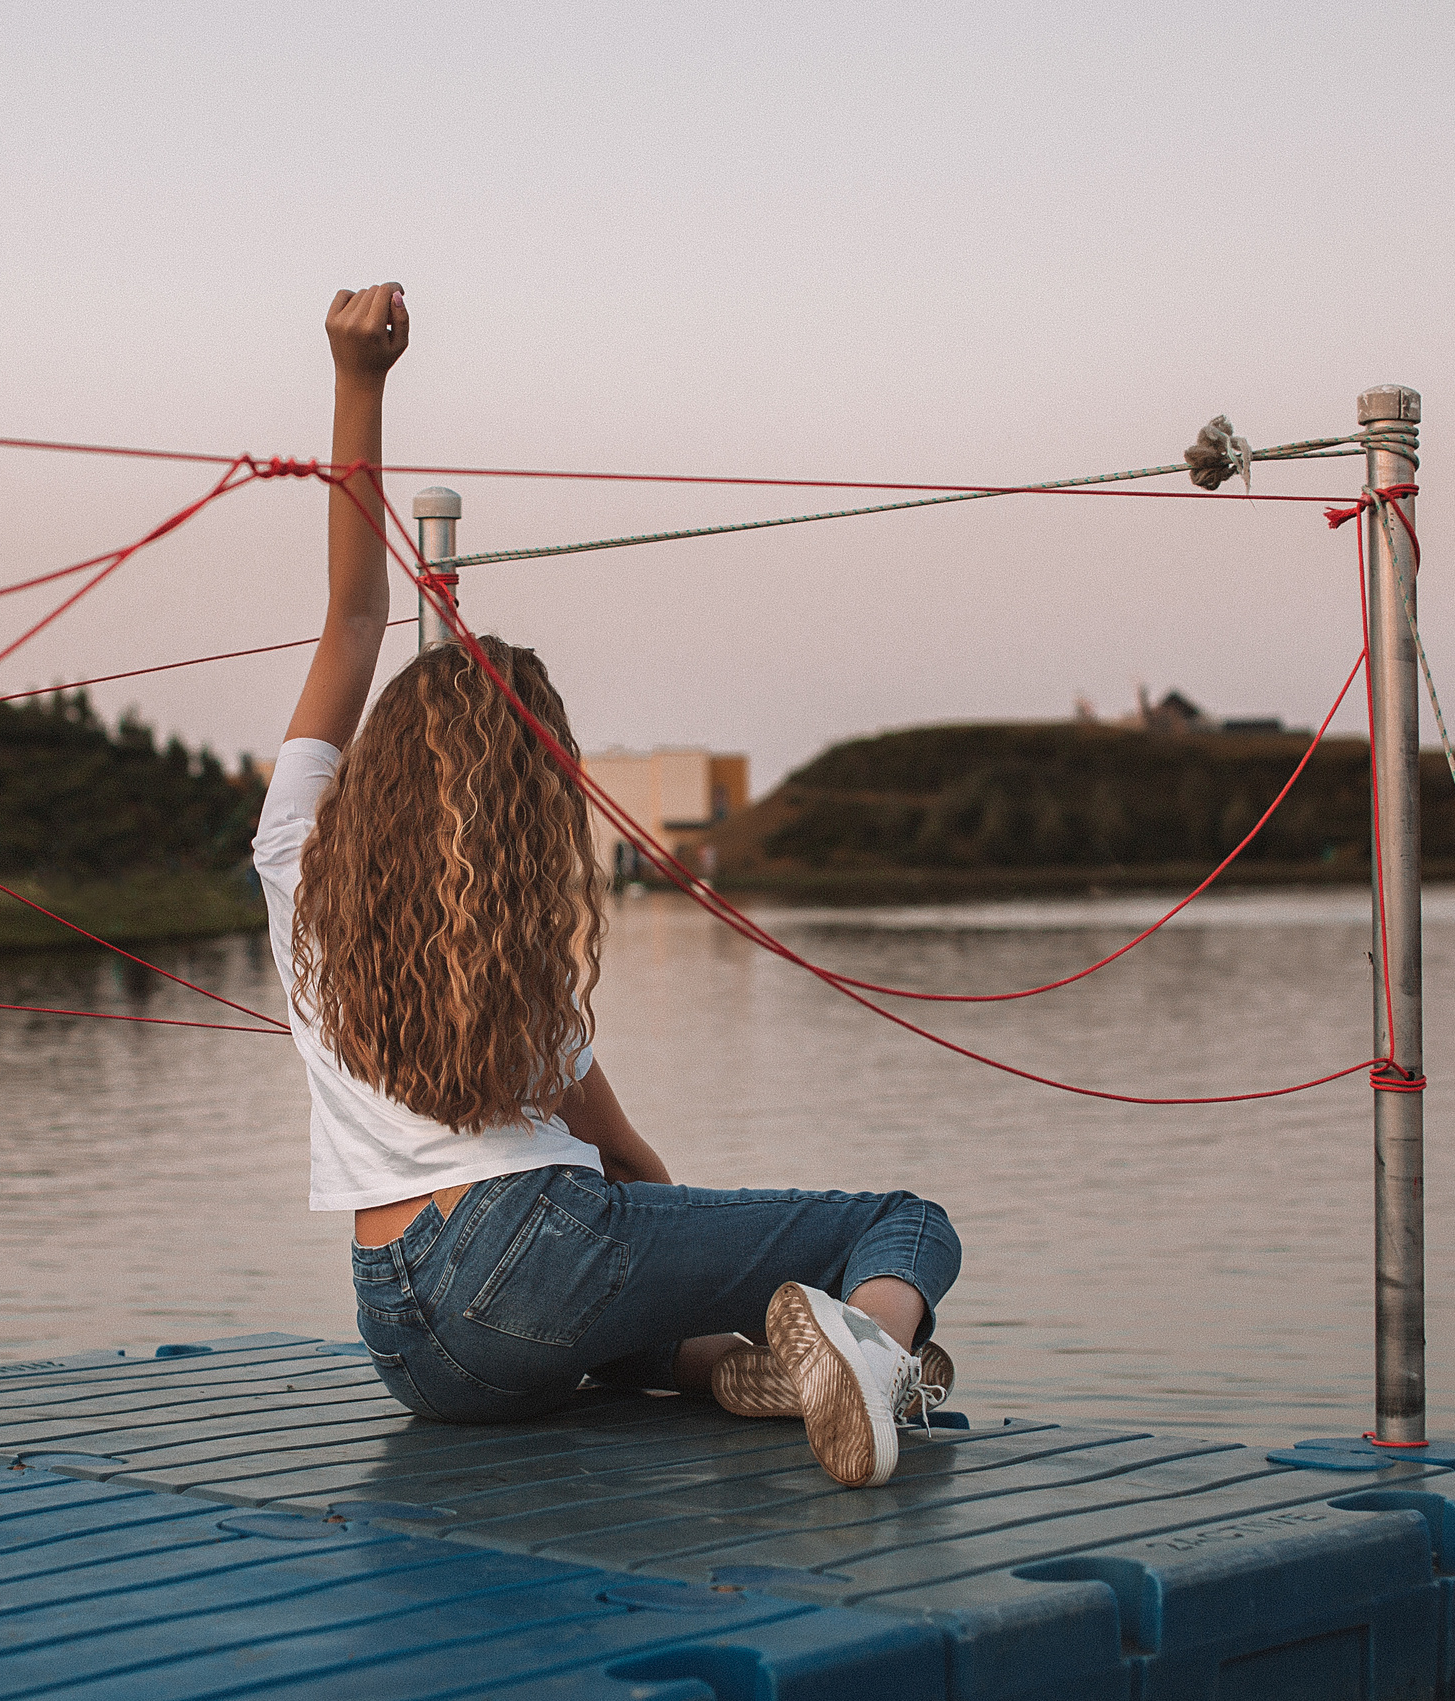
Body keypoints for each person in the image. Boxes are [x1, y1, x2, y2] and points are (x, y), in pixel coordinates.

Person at [250, 283, 962, 1488]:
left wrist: (354, 382)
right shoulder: (522, 974)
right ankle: (871, 1354)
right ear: (537, 810)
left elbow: (354, 617)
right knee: (896, 1223)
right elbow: (631, 1174)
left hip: (409, 1341)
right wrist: (697, 1250)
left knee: (600, 1325)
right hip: (533, 1258)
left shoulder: (293, 865)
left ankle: (748, 1371)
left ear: (375, 774)